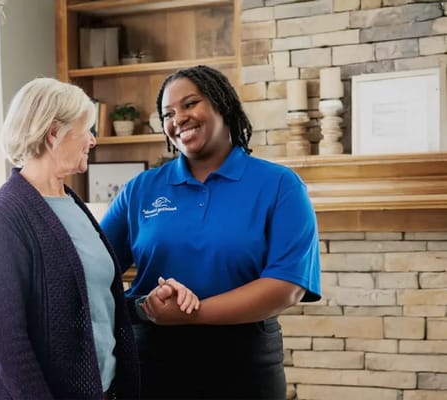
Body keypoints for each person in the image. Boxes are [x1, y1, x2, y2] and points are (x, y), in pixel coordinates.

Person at [100, 65, 322, 399]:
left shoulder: (279, 185)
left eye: (190, 104)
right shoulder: (141, 189)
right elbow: (95, 268)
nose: (179, 119)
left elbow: (286, 287)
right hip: (152, 364)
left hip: (245, 366)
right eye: (168, 113)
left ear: (223, 104)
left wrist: (191, 313)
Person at [0, 78, 176, 399]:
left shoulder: (70, 201)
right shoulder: (5, 218)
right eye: (87, 130)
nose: (92, 141)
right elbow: (5, 341)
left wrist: (143, 308)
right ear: (53, 133)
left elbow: (88, 304)